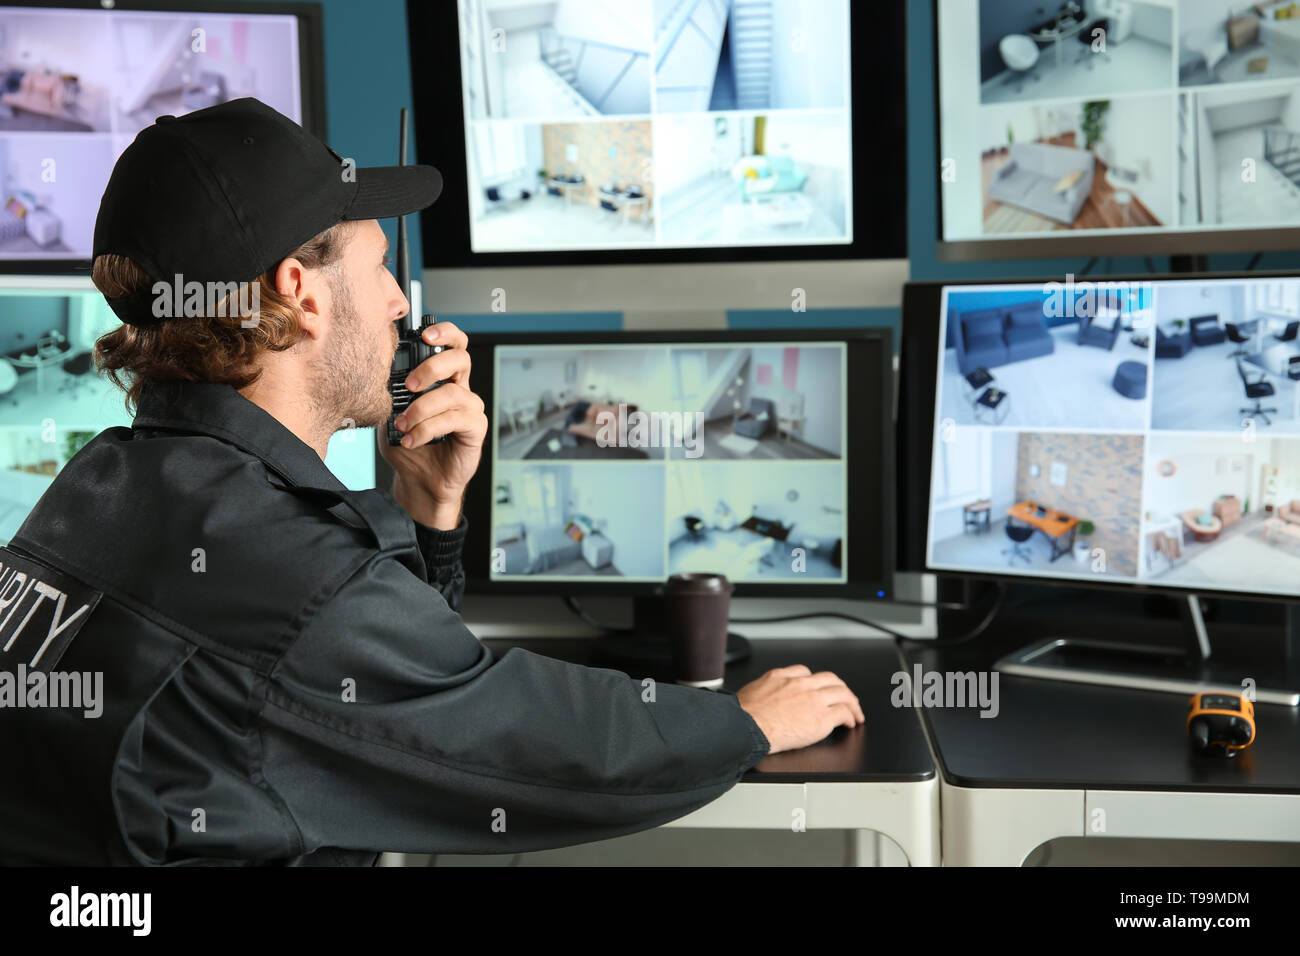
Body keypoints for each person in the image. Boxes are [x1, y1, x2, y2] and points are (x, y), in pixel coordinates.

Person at [0, 99, 863, 865]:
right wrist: (745, 724)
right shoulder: (294, 579)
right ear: (301, 294)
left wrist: (428, 511)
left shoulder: (100, 480)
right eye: (378, 270)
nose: (400, 307)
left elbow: (381, 707)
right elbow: (533, 745)